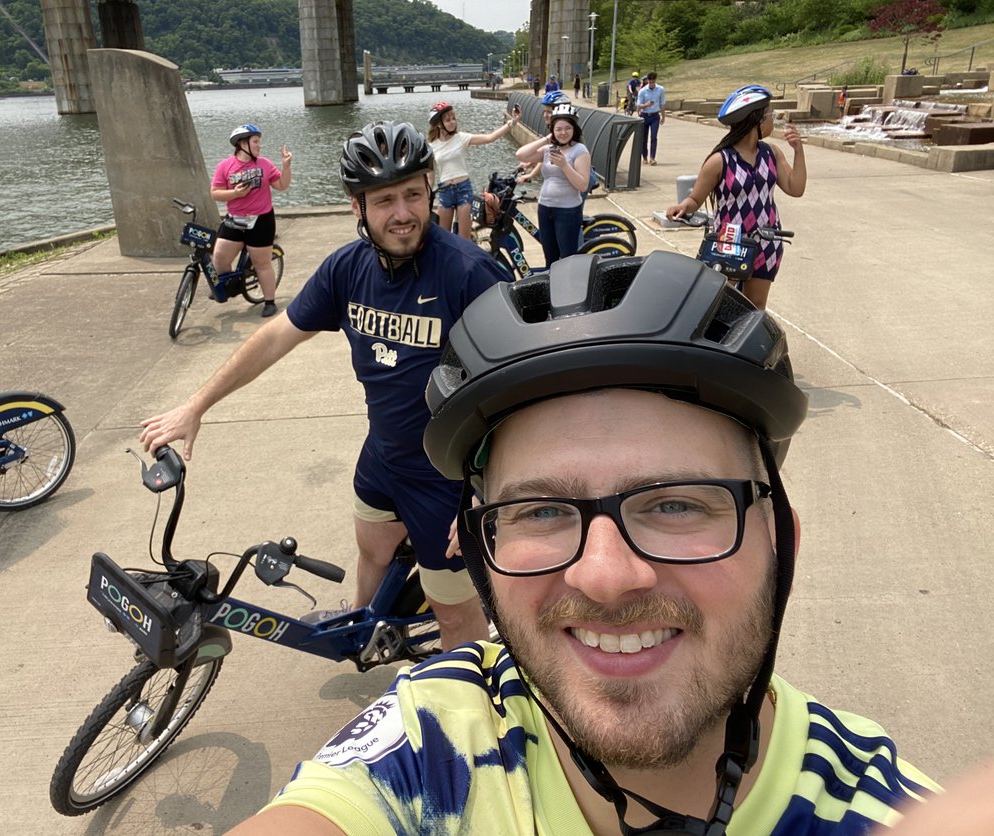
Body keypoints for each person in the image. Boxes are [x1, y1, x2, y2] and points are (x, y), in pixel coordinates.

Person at [226, 250, 939, 835]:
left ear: (781, 541)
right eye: (540, 511)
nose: (605, 575)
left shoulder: (881, 810)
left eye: (677, 504)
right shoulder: (431, 742)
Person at [140, 121, 512, 650]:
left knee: (455, 617)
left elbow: (519, 389)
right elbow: (276, 337)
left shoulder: (470, 273)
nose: (403, 213)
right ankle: (365, 632)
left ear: (430, 190)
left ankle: (469, 686)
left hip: (449, 477)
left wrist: (490, 493)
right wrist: (197, 404)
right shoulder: (347, 269)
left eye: (412, 194)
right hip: (384, 455)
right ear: (357, 206)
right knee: (373, 550)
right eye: (384, 200)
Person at [665, 84, 807, 310]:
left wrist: (798, 150)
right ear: (756, 120)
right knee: (721, 305)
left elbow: (795, 188)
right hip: (729, 242)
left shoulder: (771, 153)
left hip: (766, 240)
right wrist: (683, 207)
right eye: (770, 114)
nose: (773, 119)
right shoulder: (719, 160)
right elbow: (695, 199)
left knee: (754, 307)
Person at [210, 123, 292, 318]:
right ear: (242, 144)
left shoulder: (264, 164)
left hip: (261, 220)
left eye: (258, 142)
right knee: (219, 257)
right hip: (234, 220)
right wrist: (235, 194)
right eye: (255, 142)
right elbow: (215, 193)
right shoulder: (225, 166)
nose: (259, 146)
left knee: (262, 263)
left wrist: (286, 166)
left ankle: (269, 301)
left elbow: (282, 185)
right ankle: (232, 285)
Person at [426, 100, 520, 241]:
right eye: (447, 120)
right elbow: (430, 177)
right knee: (443, 238)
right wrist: (426, 197)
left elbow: (490, 138)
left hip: (463, 190)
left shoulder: (461, 138)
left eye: (453, 118)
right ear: (439, 124)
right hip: (445, 191)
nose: (452, 122)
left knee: (464, 239)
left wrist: (512, 122)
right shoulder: (432, 146)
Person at [515, 102, 591, 265]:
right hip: (545, 208)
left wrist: (564, 165)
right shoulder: (549, 149)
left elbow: (583, 185)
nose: (563, 133)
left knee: (567, 258)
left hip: (567, 211)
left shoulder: (579, 150)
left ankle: (567, 282)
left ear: (574, 129)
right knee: (550, 258)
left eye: (568, 128)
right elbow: (521, 155)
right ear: (552, 130)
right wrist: (547, 139)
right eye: (558, 129)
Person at [636, 71, 666, 164]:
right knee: (643, 138)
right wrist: (646, 105)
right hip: (645, 115)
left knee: (653, 137)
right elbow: (638, 106)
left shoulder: (660, 89)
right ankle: (644, 156)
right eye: (650, 82)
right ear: (647, 81)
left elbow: (662, 104)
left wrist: (663, 116)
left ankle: (652, 157)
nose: (651, 84)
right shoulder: (642, 91)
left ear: (655, 81)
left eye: (653, 82)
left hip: (655, 116)